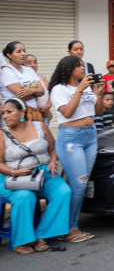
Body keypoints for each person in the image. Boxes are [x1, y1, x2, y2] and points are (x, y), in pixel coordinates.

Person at [0, 98, 71, 254]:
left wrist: (53, 161)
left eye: (9, 111)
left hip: (43, 174)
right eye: (3, 113)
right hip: (12, 178)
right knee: (25, 197)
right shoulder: (2, 134)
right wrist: (14, 172)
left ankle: (42, 234)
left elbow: (53, 149)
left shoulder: (40, 126)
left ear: (22, 112)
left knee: (63, 192)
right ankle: (21, 241)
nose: (5, 116)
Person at [49, 55, 104, 242]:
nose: (83, 68)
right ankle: (69, 228)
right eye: (79, 65)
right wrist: (80, 90)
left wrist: (98, 91)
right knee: (79, 184)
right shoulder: (59, 89)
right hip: (71, 139)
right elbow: (67, 112)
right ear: (68, 68)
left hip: (90, 136)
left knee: (81, 183)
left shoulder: (86, 87)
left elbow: (98, 112)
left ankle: (69, 225)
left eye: (83, 65)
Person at [1, 42, 45, 121]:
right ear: (9, 55)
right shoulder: (6, 71)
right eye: (19, 51)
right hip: (15, 116)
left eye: (24, 51)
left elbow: (42, 91)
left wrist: (32, 90)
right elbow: (22, 95)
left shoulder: (29, 70)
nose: (23, 54)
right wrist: (36, 92)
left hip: (33, 112)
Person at [23, 54, 52, 127]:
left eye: (35, 62)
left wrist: (47, 107)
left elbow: (51, 94)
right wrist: (39, 110)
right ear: (23, 64)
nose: (33, 65)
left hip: (45, 114)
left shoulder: (41, 77)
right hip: (32, 114)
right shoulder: (23, 79)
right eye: (29, 62)